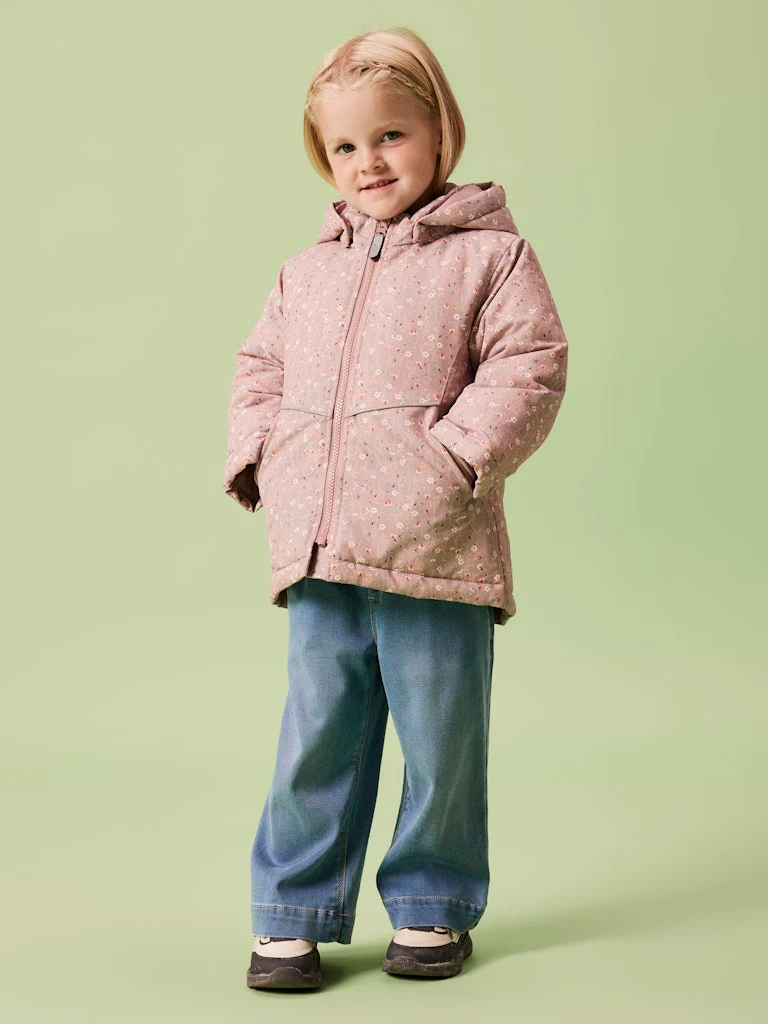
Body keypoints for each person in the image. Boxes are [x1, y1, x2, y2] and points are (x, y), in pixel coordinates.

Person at [224, 26, 568, 990]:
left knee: (443, 738)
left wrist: (452, 460)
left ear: (440, 132)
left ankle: (431, 903)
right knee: (316, 734)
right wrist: (263, 457)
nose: (368, 161)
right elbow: (259, 368)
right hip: (323, 548)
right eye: (345, 145)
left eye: (391, 135)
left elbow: (530, 367)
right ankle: (292, 910)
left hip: (438, 547)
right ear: (322, 156)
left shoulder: (493, 259)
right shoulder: (307, 273)